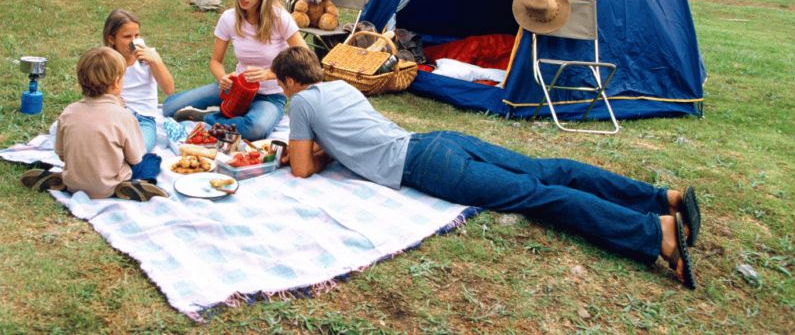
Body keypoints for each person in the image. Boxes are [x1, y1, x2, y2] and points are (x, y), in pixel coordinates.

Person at [270, 46, 703, 289]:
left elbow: (303, 171)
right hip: (437, 140)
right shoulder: (342, 87)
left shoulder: (303, 102)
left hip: (423, 163)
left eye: (282, 85)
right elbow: (352, 139)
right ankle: (660, 198)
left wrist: (304, 151)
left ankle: (656, 233)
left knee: (537, 195)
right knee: (546, 169)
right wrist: (328, 150)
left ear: (290, 81)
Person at [162, 0, 310, 140]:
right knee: (169, 108)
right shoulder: (228, 18)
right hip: (236, 89)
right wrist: (222, 78)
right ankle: (229, 115)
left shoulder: (279, 18)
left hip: (269, 96)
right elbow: (216, 61)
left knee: (255, 128)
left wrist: (268, 74)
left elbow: (305, 57)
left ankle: (207, 117)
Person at [19, 46, 167, 202]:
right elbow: (135, 159)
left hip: (73, 183)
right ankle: (137, 183)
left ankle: (65, 181)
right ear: (116, 83)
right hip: (109, 186)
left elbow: (62, 156)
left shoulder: (68, 112)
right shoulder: (124, 116)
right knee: (151, 160)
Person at [103, 9, 174, 152]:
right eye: (127, 37)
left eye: (136, 35)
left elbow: (168, 90)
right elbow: (104, 94)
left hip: (143, 119)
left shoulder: (147, 58)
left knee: (137, 149)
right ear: (111, 39)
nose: (133, 41)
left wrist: (157, 61)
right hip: (115, 114)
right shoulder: (106, 60)